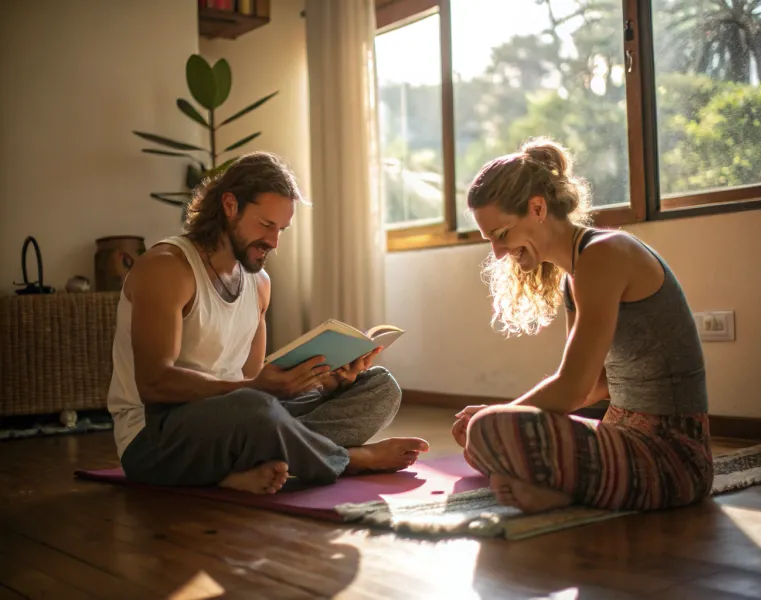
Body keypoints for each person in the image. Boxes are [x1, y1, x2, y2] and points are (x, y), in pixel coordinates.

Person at [107, 151, 428, 495]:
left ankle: (256, 463)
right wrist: (256, 391)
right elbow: (155, 384)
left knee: (379, 387)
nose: (273, 242)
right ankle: (348, 459)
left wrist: (325, 383)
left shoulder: (259, 284)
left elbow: (252, 379)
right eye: (265, 225)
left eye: (281, 230)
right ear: (230, 206)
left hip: (236, 419)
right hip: (155, 437)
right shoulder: (167, 268)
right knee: (255, 409)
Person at [451, 138, 713, 514]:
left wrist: (499, 414)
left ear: (537, 207)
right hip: (625, 437)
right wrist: (501, 415)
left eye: (502, 234)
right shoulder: (574, 275)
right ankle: (545, 484)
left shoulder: (603, 254)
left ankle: (555, 489)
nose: (498, 252)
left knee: (487, 433)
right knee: (485, 437)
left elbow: (572, 389)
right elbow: (595, 387)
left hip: (674, 461)